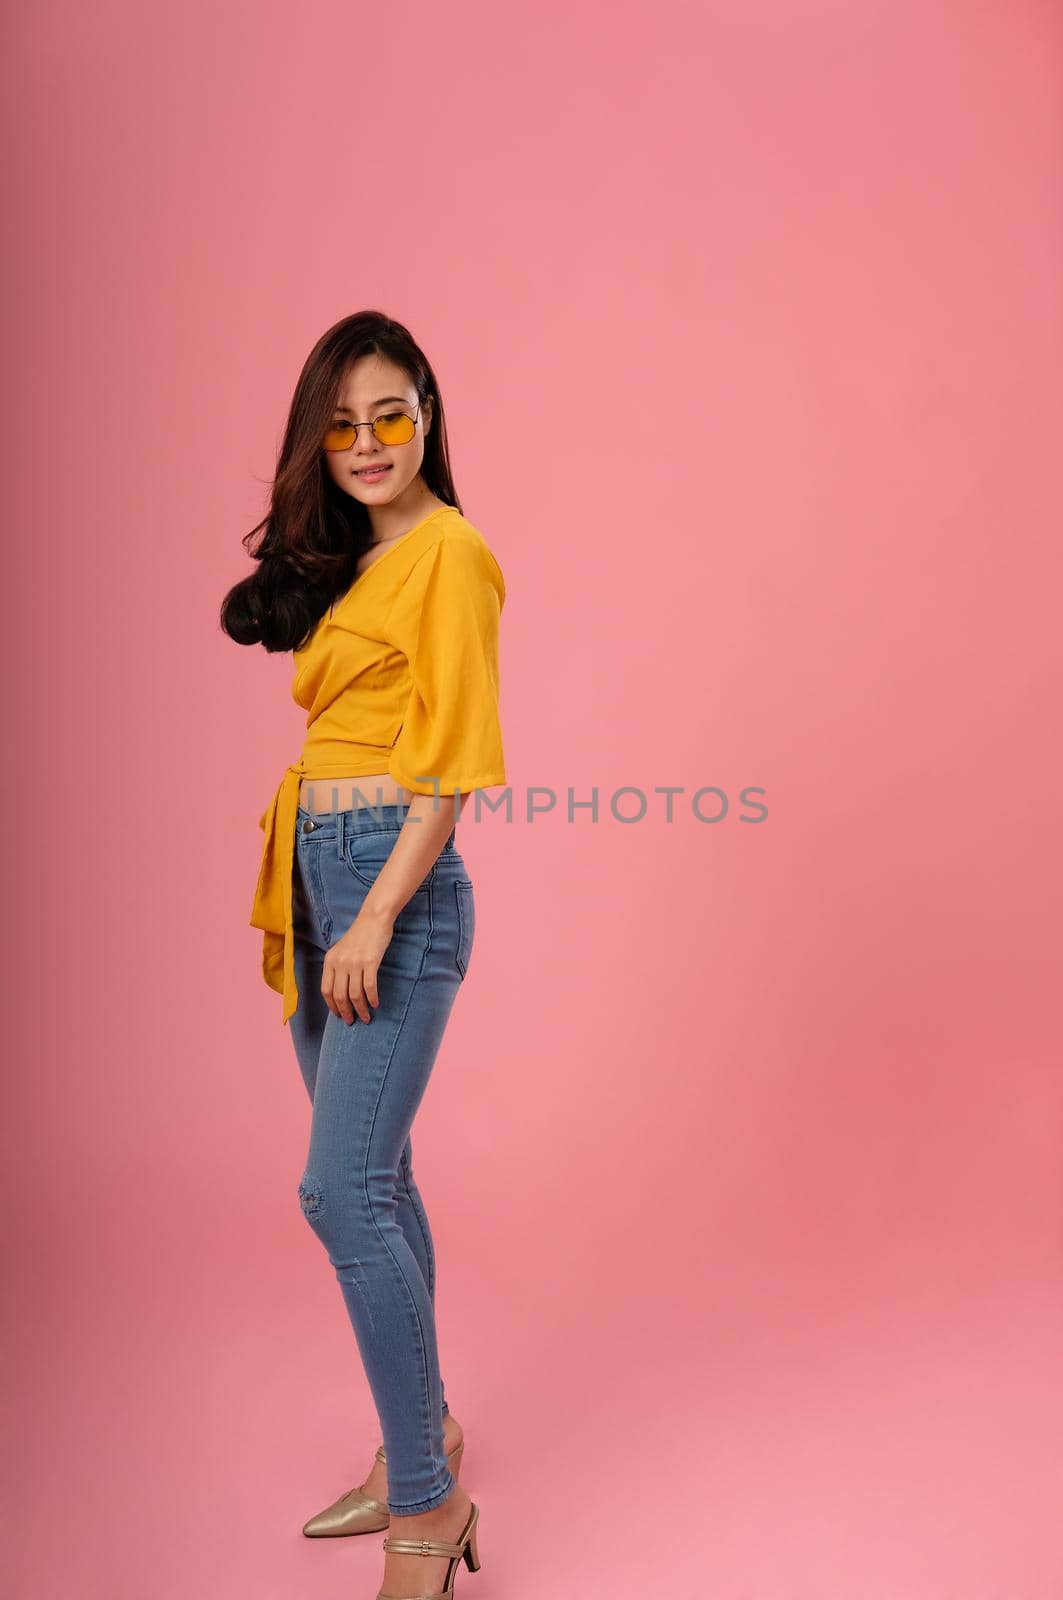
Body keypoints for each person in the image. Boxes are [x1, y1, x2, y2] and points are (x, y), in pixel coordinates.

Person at [220, 309, 506, 1599]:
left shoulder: (451, 553)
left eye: (391, 413)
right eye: (342, 425)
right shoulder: (361, 564)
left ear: (429, 412)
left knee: (340, 1191)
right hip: (318, 876)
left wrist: (382, 912)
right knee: (377, 1183)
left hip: (386, 883)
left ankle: (427, 1511)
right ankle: (417, 1448)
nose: (369, 441)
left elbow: (451, 761)